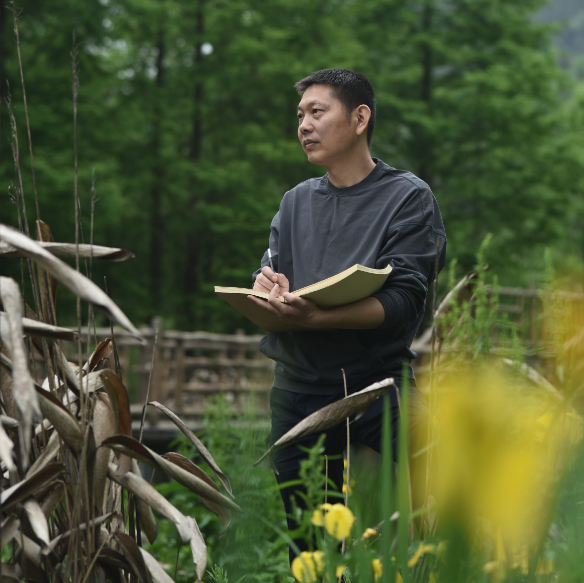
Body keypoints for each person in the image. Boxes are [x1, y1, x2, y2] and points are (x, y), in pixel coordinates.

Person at [247, 68, 446, 562]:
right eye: (300, 115)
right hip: (297, 388)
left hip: (378, 383)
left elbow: (404, 302)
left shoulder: (408, 197)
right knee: (311, 548)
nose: (303, 125)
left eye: (317, 112)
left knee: (438, 485)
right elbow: (269, 268)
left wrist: (321, 318)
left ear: (360, 118)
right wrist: (266, 285)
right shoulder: (295, 201)